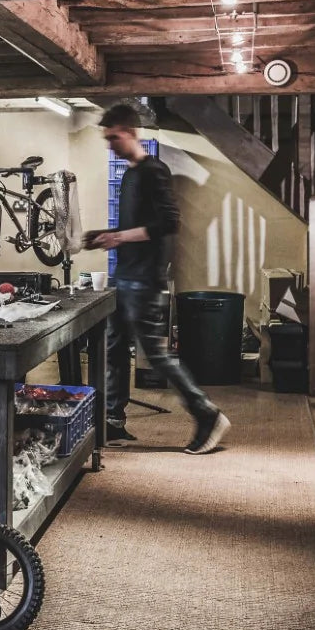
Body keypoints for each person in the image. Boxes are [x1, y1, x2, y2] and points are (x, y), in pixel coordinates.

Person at [86, 104, 231, 455]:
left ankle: (207, 414)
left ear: (132, 132)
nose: (111, 145)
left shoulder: (154, 171)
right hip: (124, 276)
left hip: (146, 281)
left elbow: (168, 223)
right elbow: (134, 227)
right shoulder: (130, 174)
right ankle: (114, 421)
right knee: (114, 347)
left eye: (114, 138)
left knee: (156, 354)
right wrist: (106, 235)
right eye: (106, 139)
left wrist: (119, 238)